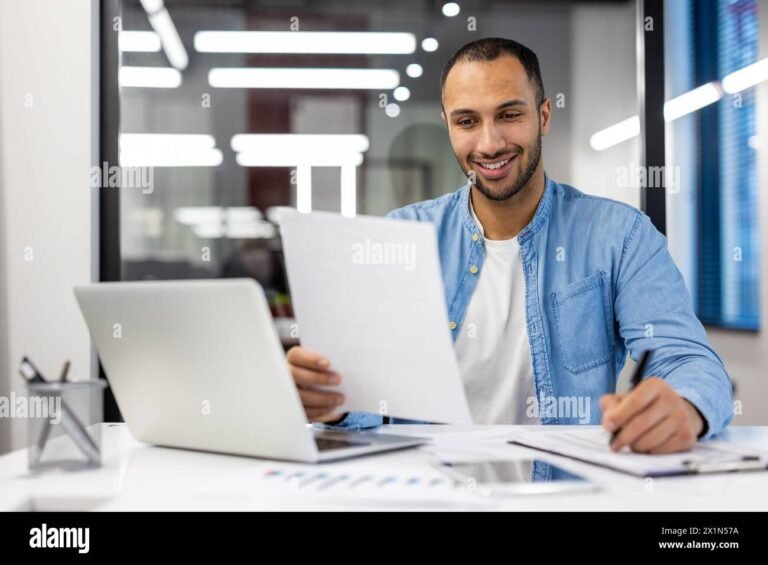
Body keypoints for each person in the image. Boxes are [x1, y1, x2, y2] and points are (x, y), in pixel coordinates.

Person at [286, 37, 733, 454]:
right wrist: (330, 398)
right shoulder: (402, 236)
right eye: (467, 121)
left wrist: (686, 407)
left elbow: (688, 360)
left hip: (565, 492)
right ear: (447, 125)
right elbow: (366, 394)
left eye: (509, 114)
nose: (489, 143)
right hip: (428, 491)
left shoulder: (620, 235)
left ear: (543, 115)